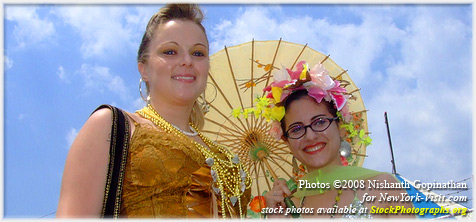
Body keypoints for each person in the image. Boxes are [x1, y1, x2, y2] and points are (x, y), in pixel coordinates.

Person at [56, 4, 251, 218]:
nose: (187, 61)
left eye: (198, 53)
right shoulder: (111, 125)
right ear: (144, 69)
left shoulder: (223, 155)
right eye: (170, 51)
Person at [260, 61, 415, 218]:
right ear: (286, 141)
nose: (310, 136)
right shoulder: (288, 209)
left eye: (320, 122)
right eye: (297, 129)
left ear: (340, 126)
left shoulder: (384, 187)